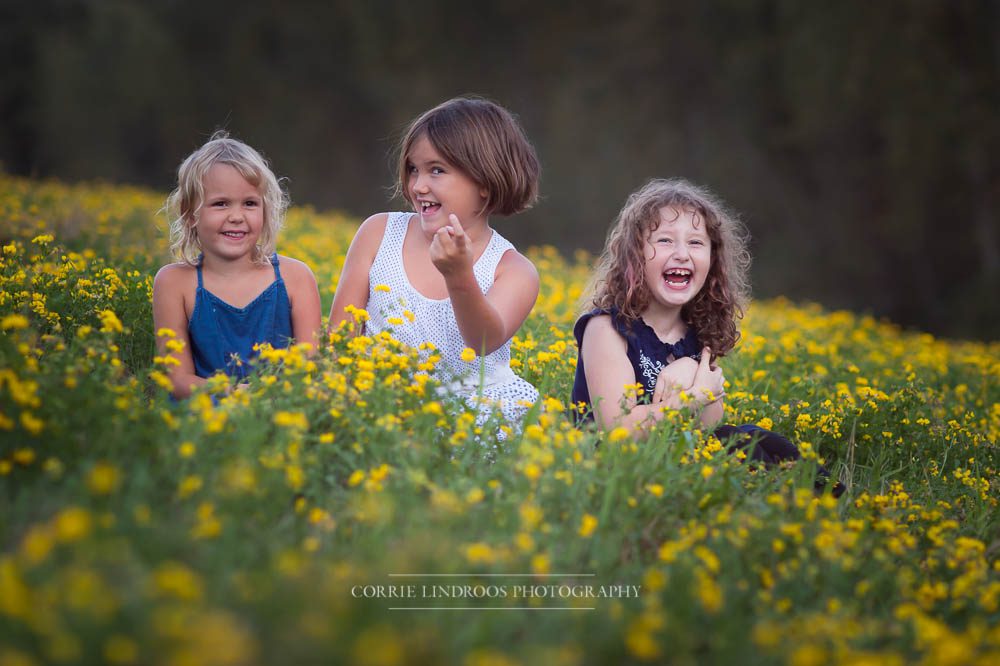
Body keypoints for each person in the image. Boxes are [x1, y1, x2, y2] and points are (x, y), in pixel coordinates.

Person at [572, 178, 841, 494]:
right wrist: (695, 395)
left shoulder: (696, 333)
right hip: (620, 470)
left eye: (696, 243)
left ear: (713, 261)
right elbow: (620, 431)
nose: (682, 254)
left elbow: (709, 424)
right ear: (635, 254)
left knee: (753, 440)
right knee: (735, 450)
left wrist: (692, 372)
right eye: (665, 240)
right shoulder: (606, 329)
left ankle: (818, 506)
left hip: (677, 454)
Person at [329, 97, 540, 431]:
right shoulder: (378, 233)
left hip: (474, 414)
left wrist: (459, 276)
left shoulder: (513, 270)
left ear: (484, 183)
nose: (418, 185)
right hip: (380, 404)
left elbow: (484, 341)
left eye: (437, 170)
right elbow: (339, 340)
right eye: (414, 169)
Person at [153, 131, 322, 398]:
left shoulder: (296, 277)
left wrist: (267, 397)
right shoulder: (174, 282)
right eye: (220, 204)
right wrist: (237, 393)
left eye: (250, 204)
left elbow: (309, 369)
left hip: (281, 409)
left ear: (266, 210)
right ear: (189, 214)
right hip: (205, 413)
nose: (236, 216)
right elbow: (177, 380)